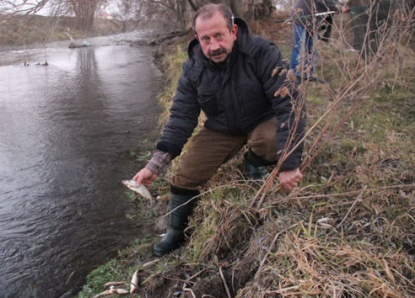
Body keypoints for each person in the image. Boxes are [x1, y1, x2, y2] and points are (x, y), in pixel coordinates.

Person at [131, 4, 307, 257]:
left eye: (219, 36)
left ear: (233, 31)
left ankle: (254, 162)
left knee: (268, 140)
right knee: (185, 176)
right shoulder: (192, 69)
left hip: (262, 119)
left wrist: (289, 164)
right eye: (205, 39)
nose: (213, 46)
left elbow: (290, 104)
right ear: (197, 39)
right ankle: (177, 230)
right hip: (223, 127)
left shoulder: (261, 52)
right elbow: (181, 118)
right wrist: (154, 165)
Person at [290, 0, 349, 82]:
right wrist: (339, 8)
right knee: (298, 47)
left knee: (312, 48)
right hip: (301, 17)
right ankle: (294, 75)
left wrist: (342, 5)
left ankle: (309, 73)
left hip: (312, 21)